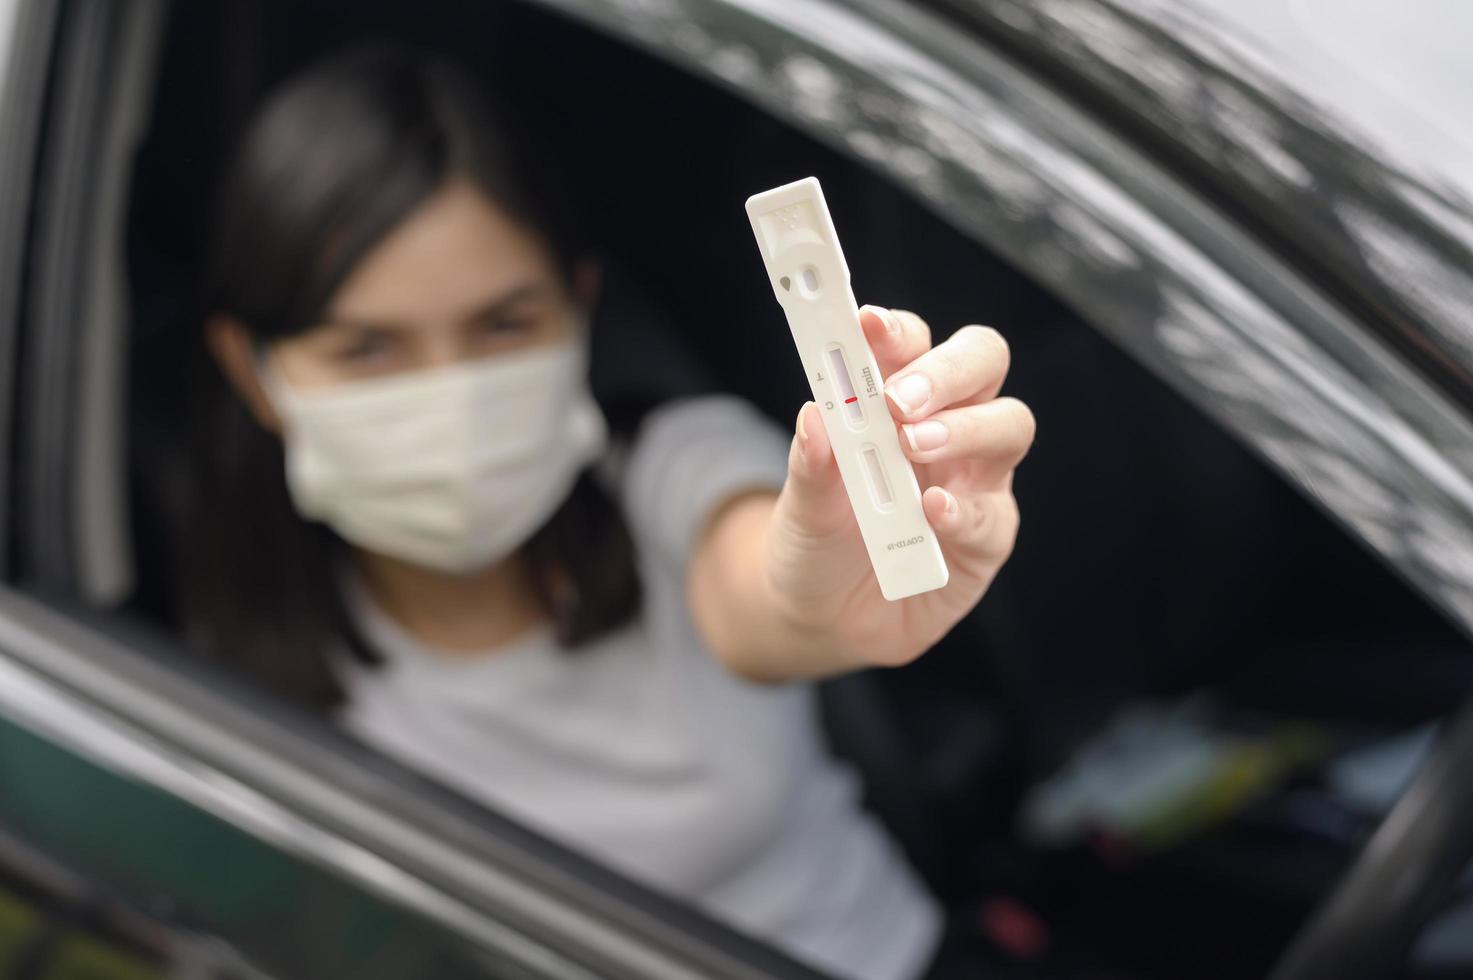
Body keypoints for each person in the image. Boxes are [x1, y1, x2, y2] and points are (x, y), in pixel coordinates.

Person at [184, 43, 1033, 980]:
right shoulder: (216, 671)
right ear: (250, 371)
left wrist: (826, 590)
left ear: (578, 309)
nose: (452, 393)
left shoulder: (678, 469)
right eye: (367, 350)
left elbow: (766, 578)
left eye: (503, 324)